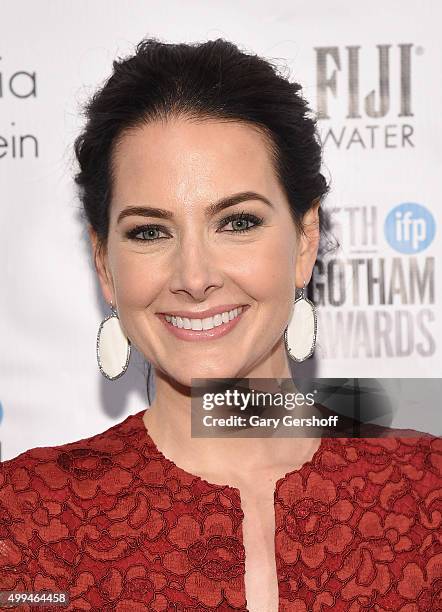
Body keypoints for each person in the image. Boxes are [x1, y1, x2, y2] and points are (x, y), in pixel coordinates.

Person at [0, 38, 441, 612]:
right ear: (105, 263)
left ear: (305, 241)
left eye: (236, 222)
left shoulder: (428, 497)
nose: (195, 276)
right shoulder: (23, 521)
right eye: (149, 231)